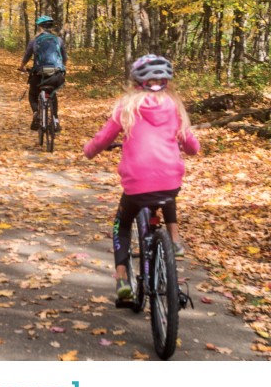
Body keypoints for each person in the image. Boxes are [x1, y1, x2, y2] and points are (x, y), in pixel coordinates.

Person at [83, 53, 200, 301]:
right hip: (170, 180)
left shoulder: (127, 107)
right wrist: (190, 149)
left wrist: (89, 151)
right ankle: (175, 241)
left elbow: (103, 138)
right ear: (167, 82)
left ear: (136, 82)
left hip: (137, 183)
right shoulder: (175, 107)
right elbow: (192, 145)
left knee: (122, 224)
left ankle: (123, 276)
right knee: (168, 194)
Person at [19, 14, 67, 130]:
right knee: (52, 93)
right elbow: (64, 58)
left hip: (39, 73)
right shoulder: (58, 40)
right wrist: (62, 68)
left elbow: (27, 56)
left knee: (33, 94)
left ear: (39, 27)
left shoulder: (34, 41)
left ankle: (36, 112)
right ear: (51, 28)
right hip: (56, 73)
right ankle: (55, 120)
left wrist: (22, 67)